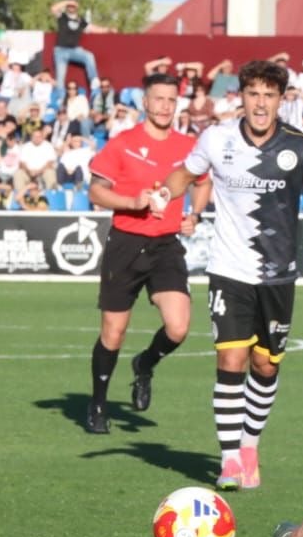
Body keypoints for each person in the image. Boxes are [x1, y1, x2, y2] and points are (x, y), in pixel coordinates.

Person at [151, 60, 303, 490]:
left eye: (269, 95)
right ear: (241, 97)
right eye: (253, 94)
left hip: (278, 276)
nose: (260, 103)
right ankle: (229, 460)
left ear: (281, 100)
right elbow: (186, 173)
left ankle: (250, 443)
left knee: (265, 365)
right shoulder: (217, 139)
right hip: (228, 270)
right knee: (231, 359)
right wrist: (166, 191)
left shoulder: (301, 146)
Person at [82, 73, 211, 434]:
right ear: (145, 101)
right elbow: (96, 191)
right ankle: (98, 404)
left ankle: (145, 364)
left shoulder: (189, 145)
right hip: (126, 243)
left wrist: (194, 215)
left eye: (171, 100)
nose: (165, 106)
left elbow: (204, 182)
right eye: (159, 99)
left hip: (166, 245)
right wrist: (131, 202)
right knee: (113, 332)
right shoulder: (123, 143)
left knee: (179, 326)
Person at [50, 0, 100, 93]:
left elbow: (92, 28)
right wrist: (68, 1)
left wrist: (109, 30)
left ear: (77, 7)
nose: (71, 7)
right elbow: (53, 9)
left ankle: (94, 79)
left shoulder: (80, 20)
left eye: (73, 6)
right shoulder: (63, 17)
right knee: (60, 79)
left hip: (75, 50)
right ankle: (61, 101)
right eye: (70, 6)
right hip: (61, 50)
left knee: (89, 56)